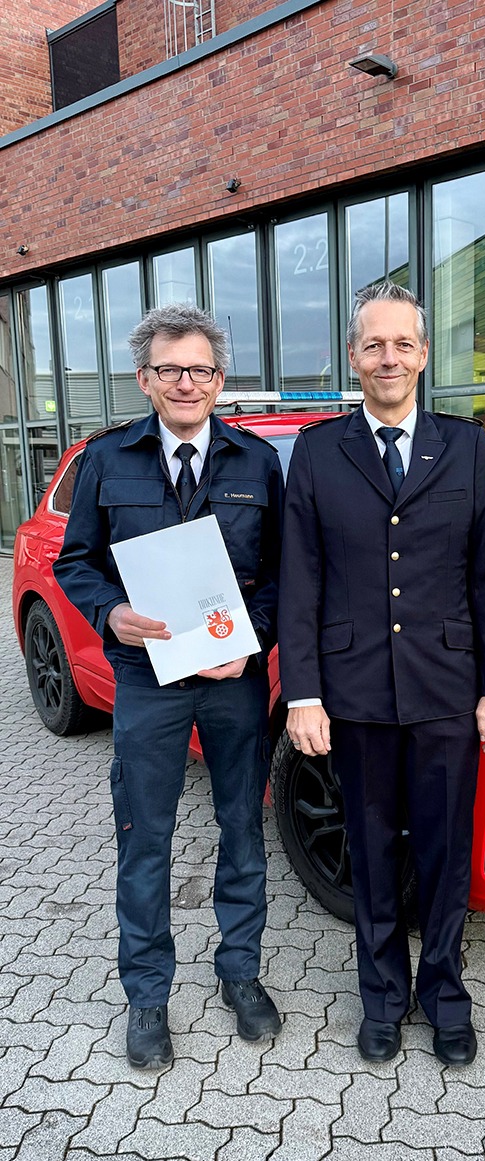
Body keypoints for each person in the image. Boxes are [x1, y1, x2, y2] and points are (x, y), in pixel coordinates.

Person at [279, 282, 485, 1066]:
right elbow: (301, 581)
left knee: (447, 855)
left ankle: (445, 995)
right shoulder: (319, 452)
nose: (389, 358)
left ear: (423, 355)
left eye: (403, 344)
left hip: (448, 689)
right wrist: (304, 693)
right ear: (354, 356)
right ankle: (382, 997)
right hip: (353, 693)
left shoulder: (466, 447)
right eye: (374, 344)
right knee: (373, 852)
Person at [54, 303, 284, 1069]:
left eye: (201, 369)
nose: (187, 382)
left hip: (232, 682)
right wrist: (110, 612)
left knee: (242, 829)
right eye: (171, 369)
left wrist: (250, 641)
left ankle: (240, 972)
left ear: (219, 380)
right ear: (145, 378)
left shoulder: (257, 463)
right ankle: (147, 996)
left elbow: (283, 573)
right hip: (146, 680)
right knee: (144, 837)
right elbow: (76, 561)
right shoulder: (105, 459)